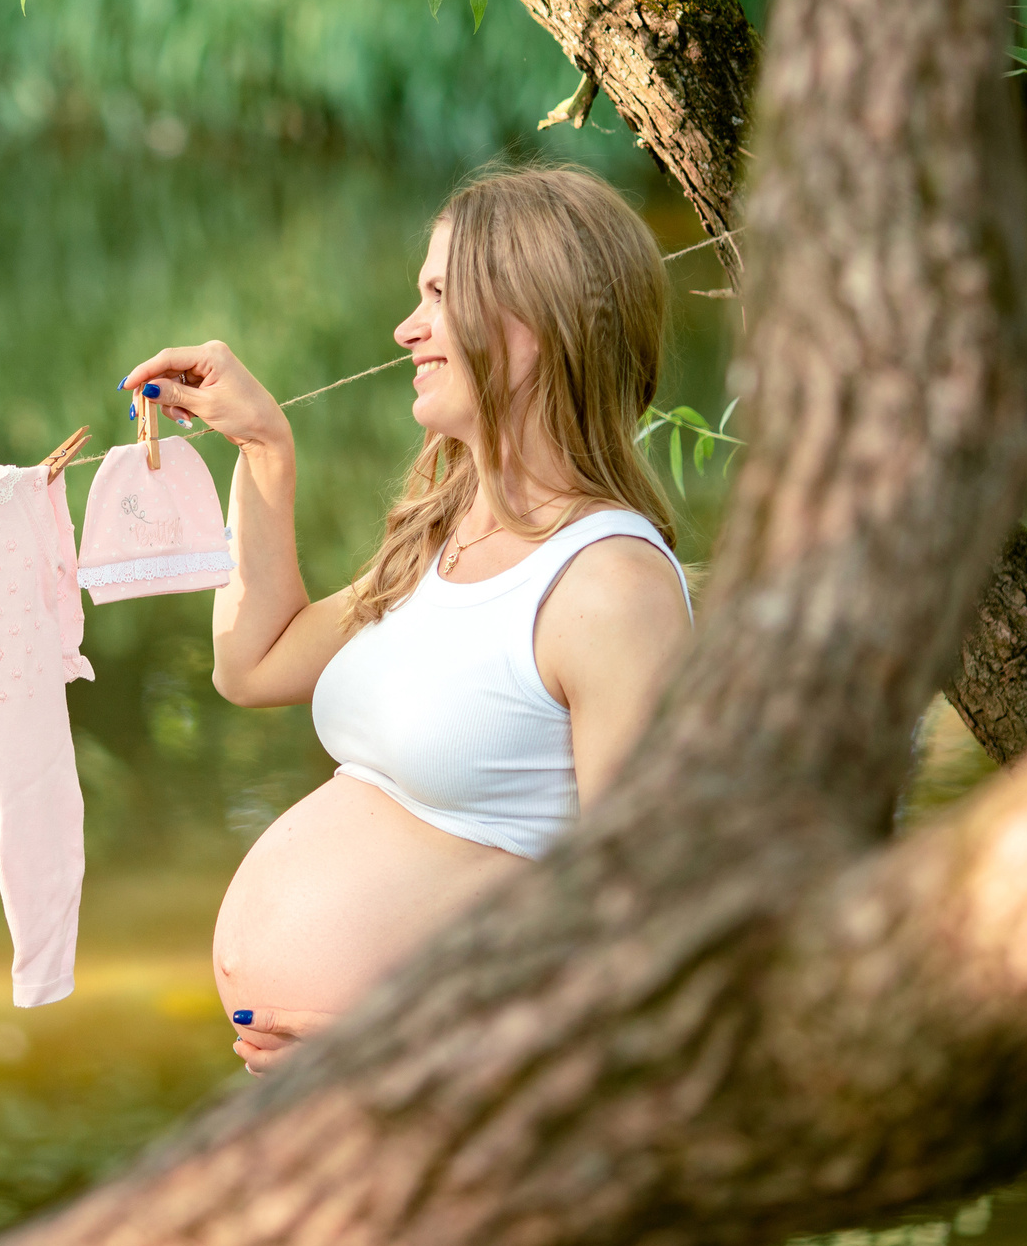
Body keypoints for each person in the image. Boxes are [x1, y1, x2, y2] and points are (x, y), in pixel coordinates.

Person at [121, 164, 693, 1076]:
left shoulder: (609, 587)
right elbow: (253, 665)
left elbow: (646, 914)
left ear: (531, 324)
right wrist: (265, 451)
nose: (407, 328)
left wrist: (420, 1037)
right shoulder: (450, 533)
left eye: (437, 293)